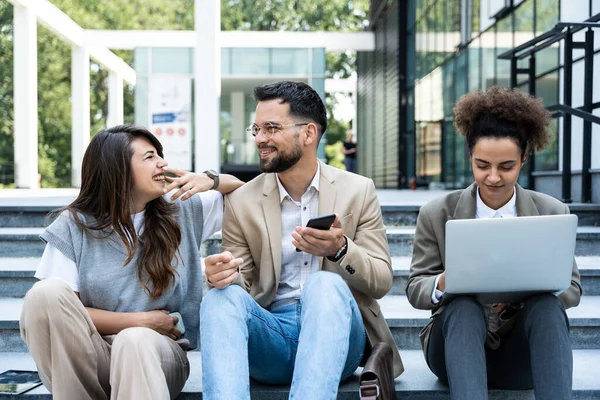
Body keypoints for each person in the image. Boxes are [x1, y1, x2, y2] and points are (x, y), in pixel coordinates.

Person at [200, 81, 403, 399]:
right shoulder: (242, 200)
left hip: (338, 336)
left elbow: (381, 281)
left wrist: (340, 249)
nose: (259, 139)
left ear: (309, 133)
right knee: (217, 298)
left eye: (271, 128)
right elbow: (245, 288)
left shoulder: (357, 190)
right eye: (256, 129)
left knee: (324, 285)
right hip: (271, 335)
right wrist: (225, 276)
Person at [19, 125, 244, 400]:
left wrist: (211, 179)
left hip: (157, 355)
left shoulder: (182, 208)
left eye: (159, 155)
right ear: (117, 171)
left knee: (134, 340)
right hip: (94, 358)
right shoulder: (74, 226)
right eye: (149, 157)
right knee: (43, 295)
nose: (163, 163)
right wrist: (139, 320)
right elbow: (60, 313)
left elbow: (246, 196)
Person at [406, 86, 582, 399]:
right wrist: (448, 281)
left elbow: (572, 289)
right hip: (454, 347)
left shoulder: (552, 212)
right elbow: (416, 288)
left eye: (506, 166)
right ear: (470, 157)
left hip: (520, 352)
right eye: (482, 165)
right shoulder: (437, 212)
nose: (493, 178)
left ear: (524, 158)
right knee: (461, 307)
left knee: (548, 308)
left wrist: (531, 288)